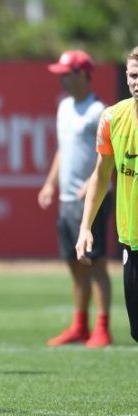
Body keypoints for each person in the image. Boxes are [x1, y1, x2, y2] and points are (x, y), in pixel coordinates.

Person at [38, 50, 112, 348]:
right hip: (67, 199)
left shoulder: (99, 111)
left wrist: (92, 182)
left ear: (82, 74)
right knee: (73, 264)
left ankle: (103, 328)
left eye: (66, 74)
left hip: (91, 198)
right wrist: (49, 184)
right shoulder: (64, 107)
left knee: (95, 264)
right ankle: (80, 325)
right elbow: (62, 150)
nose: (62, 80)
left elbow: (109, 155)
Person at [77, 46, 138, 344]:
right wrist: (85, 227)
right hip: (132, 239)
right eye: (133, 75)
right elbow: (101, 176)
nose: (137, 82)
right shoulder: (112, 118)